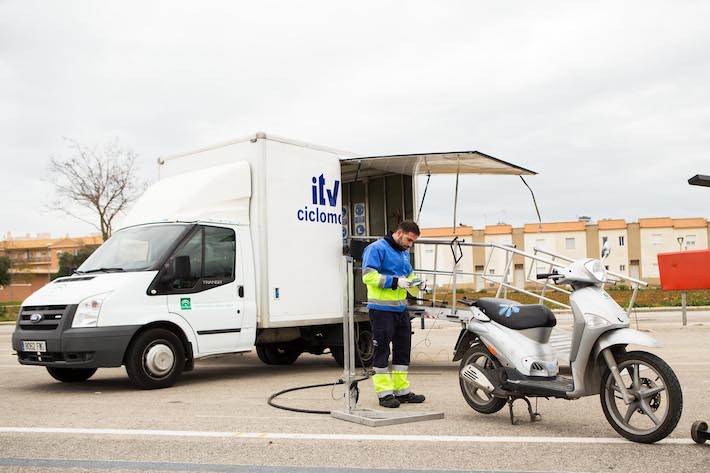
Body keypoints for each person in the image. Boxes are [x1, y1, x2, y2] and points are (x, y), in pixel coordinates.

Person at [361, 219, 427, 408]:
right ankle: (384, 394)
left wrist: (418, 283)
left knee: (402, 352)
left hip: (400, 310)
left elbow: (410, 275)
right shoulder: (376, 249)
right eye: (408, 240)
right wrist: (396, 282)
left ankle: (402, 391)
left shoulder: (404, 254)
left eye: (413, 242)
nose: (410, 245)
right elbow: (368, 276)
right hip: (381, 310)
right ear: (399, 233)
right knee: (382, 351)